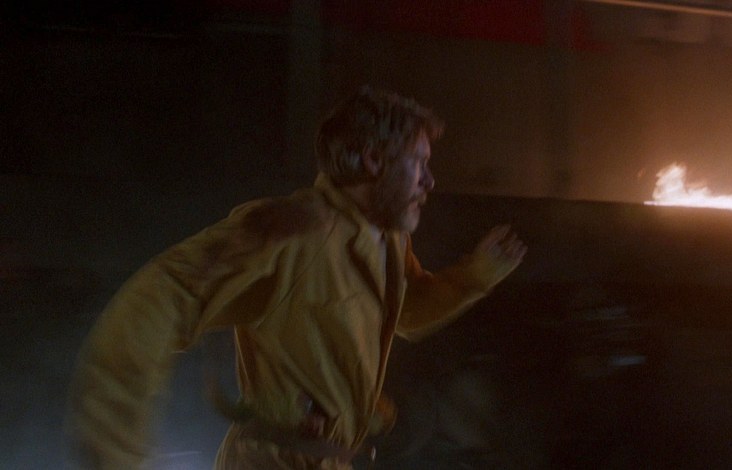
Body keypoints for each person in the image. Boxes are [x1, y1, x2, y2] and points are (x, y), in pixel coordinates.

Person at [65, 86, 527, 469]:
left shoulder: (388, 241)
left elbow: (406, 312)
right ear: (373, 159)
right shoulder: (294, 229)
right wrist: (115, 453)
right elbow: (161, 299)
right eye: (419, 162)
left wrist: (477, 274)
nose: (429, 181)